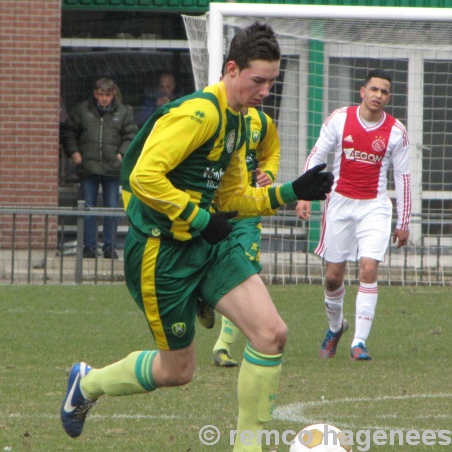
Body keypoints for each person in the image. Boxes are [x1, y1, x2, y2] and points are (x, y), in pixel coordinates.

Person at [60, 21, 334, 451]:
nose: (264, 91)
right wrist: (200, 218)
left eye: (271, 82)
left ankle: (247, 446)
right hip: (159, 252)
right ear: (231, 69)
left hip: (206, 244)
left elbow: (234, 199)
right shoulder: (200, 113)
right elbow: (144, 176)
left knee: (271, 333)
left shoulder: (241, 122)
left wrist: (289, 192)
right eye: (257, 80)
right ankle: (88, 383)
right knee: (178, 371)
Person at [296, 69, 412, 361]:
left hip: (374, 205)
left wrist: (404, 221)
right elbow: (317, 156)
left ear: (389, 97)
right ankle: (336, 328)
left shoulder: (396, 131)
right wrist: (304, 193)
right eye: (374, 89)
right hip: (340, 204)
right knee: (333, 277)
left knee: (369, 268)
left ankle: (359, 342)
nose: (378, 96)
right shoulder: (340, 118)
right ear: (362, 91)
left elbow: (404, 177)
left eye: (384, 92)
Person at [198, 106, 281, 369]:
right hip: (214, 209)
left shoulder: (262, 122)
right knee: (207, 265)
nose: (262, 90)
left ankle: (222, 346)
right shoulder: (211, 116)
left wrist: (269, 173)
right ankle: (203, 295)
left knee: (243, 271)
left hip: (246, 210)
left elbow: (272, 153)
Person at [62, 77, 138, 259]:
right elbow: (69, 132)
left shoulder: (124, 112)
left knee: (111, 209)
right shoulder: (81, 110)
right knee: (88, 209)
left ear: (113, 95)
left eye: (108, 95)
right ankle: (89, 247)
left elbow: (131, 135)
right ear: (95, 94)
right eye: (101, 95)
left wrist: (121, 153)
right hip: (88, 167)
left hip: (112, 168)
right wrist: (74, 152)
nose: (104, 99)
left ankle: (109, 247)